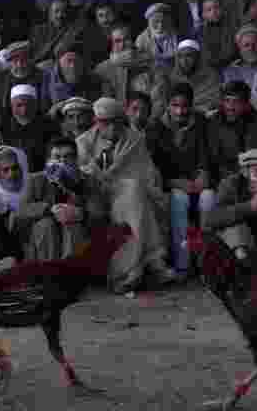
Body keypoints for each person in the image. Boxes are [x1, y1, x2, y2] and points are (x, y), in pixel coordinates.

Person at [76, 97, 180, 293]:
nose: (110, 126)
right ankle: (153, 261)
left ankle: (133, 270)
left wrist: (130, 184)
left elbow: (147, 173)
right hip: (99, 197)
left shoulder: (134, 139)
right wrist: (99, 173)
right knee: (134, 195)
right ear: (96, 122)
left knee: (134, 193)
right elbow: (82, 176)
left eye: (114, 121)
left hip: (132, 195)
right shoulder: (83, 143)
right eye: (104, 121)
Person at [146, 82, 220, 274]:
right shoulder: (155, 127)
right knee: (179, 200)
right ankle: (182, 263)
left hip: (198, 180)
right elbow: (153, 165)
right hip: (171, 183)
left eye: (185, 106)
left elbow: (207, 154)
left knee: (208, 198)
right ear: (167, 105)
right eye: (175, 105)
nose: (180, 111)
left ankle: (208, 262)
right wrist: (174, 182)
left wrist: (204, 173)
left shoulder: (201, 122)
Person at [14, 136, 108, 261]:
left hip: (76, 234)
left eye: (68, 157)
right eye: (57, 157)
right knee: (46, 225)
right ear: (48, 160)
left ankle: (69, 274)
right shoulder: (34, 180)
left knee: (72, 224)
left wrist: (81, 213)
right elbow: (19, 211)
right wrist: (50, 210)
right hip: (43, 237)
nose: (62, 162)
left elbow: (100, 213)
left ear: (76, 160)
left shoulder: (88, 181)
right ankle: (48, 274)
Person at [0, 84, 62, 172]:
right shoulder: (3, 128)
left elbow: (55, 157)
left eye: (28, 104)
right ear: (11, 105)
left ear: (36, 104)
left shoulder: (49, 126)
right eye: (19, 105)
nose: (24, 110)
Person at [154, 39, 222, 116]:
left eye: (189, 56)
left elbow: (213, 103)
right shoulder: (170, 79)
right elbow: (165, 106)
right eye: (180, 57)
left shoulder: (211, 77)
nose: (184, 61)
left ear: (198, 58)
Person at [197, 0, 237, 71]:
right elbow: (204, 57)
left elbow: (232, 52)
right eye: (209, 10)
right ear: (203, 14)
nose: (214, 12)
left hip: (230, 68)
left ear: (221, 9)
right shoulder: (200, 33)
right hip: (209, 72)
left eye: (216, 7)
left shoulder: (231, 29)